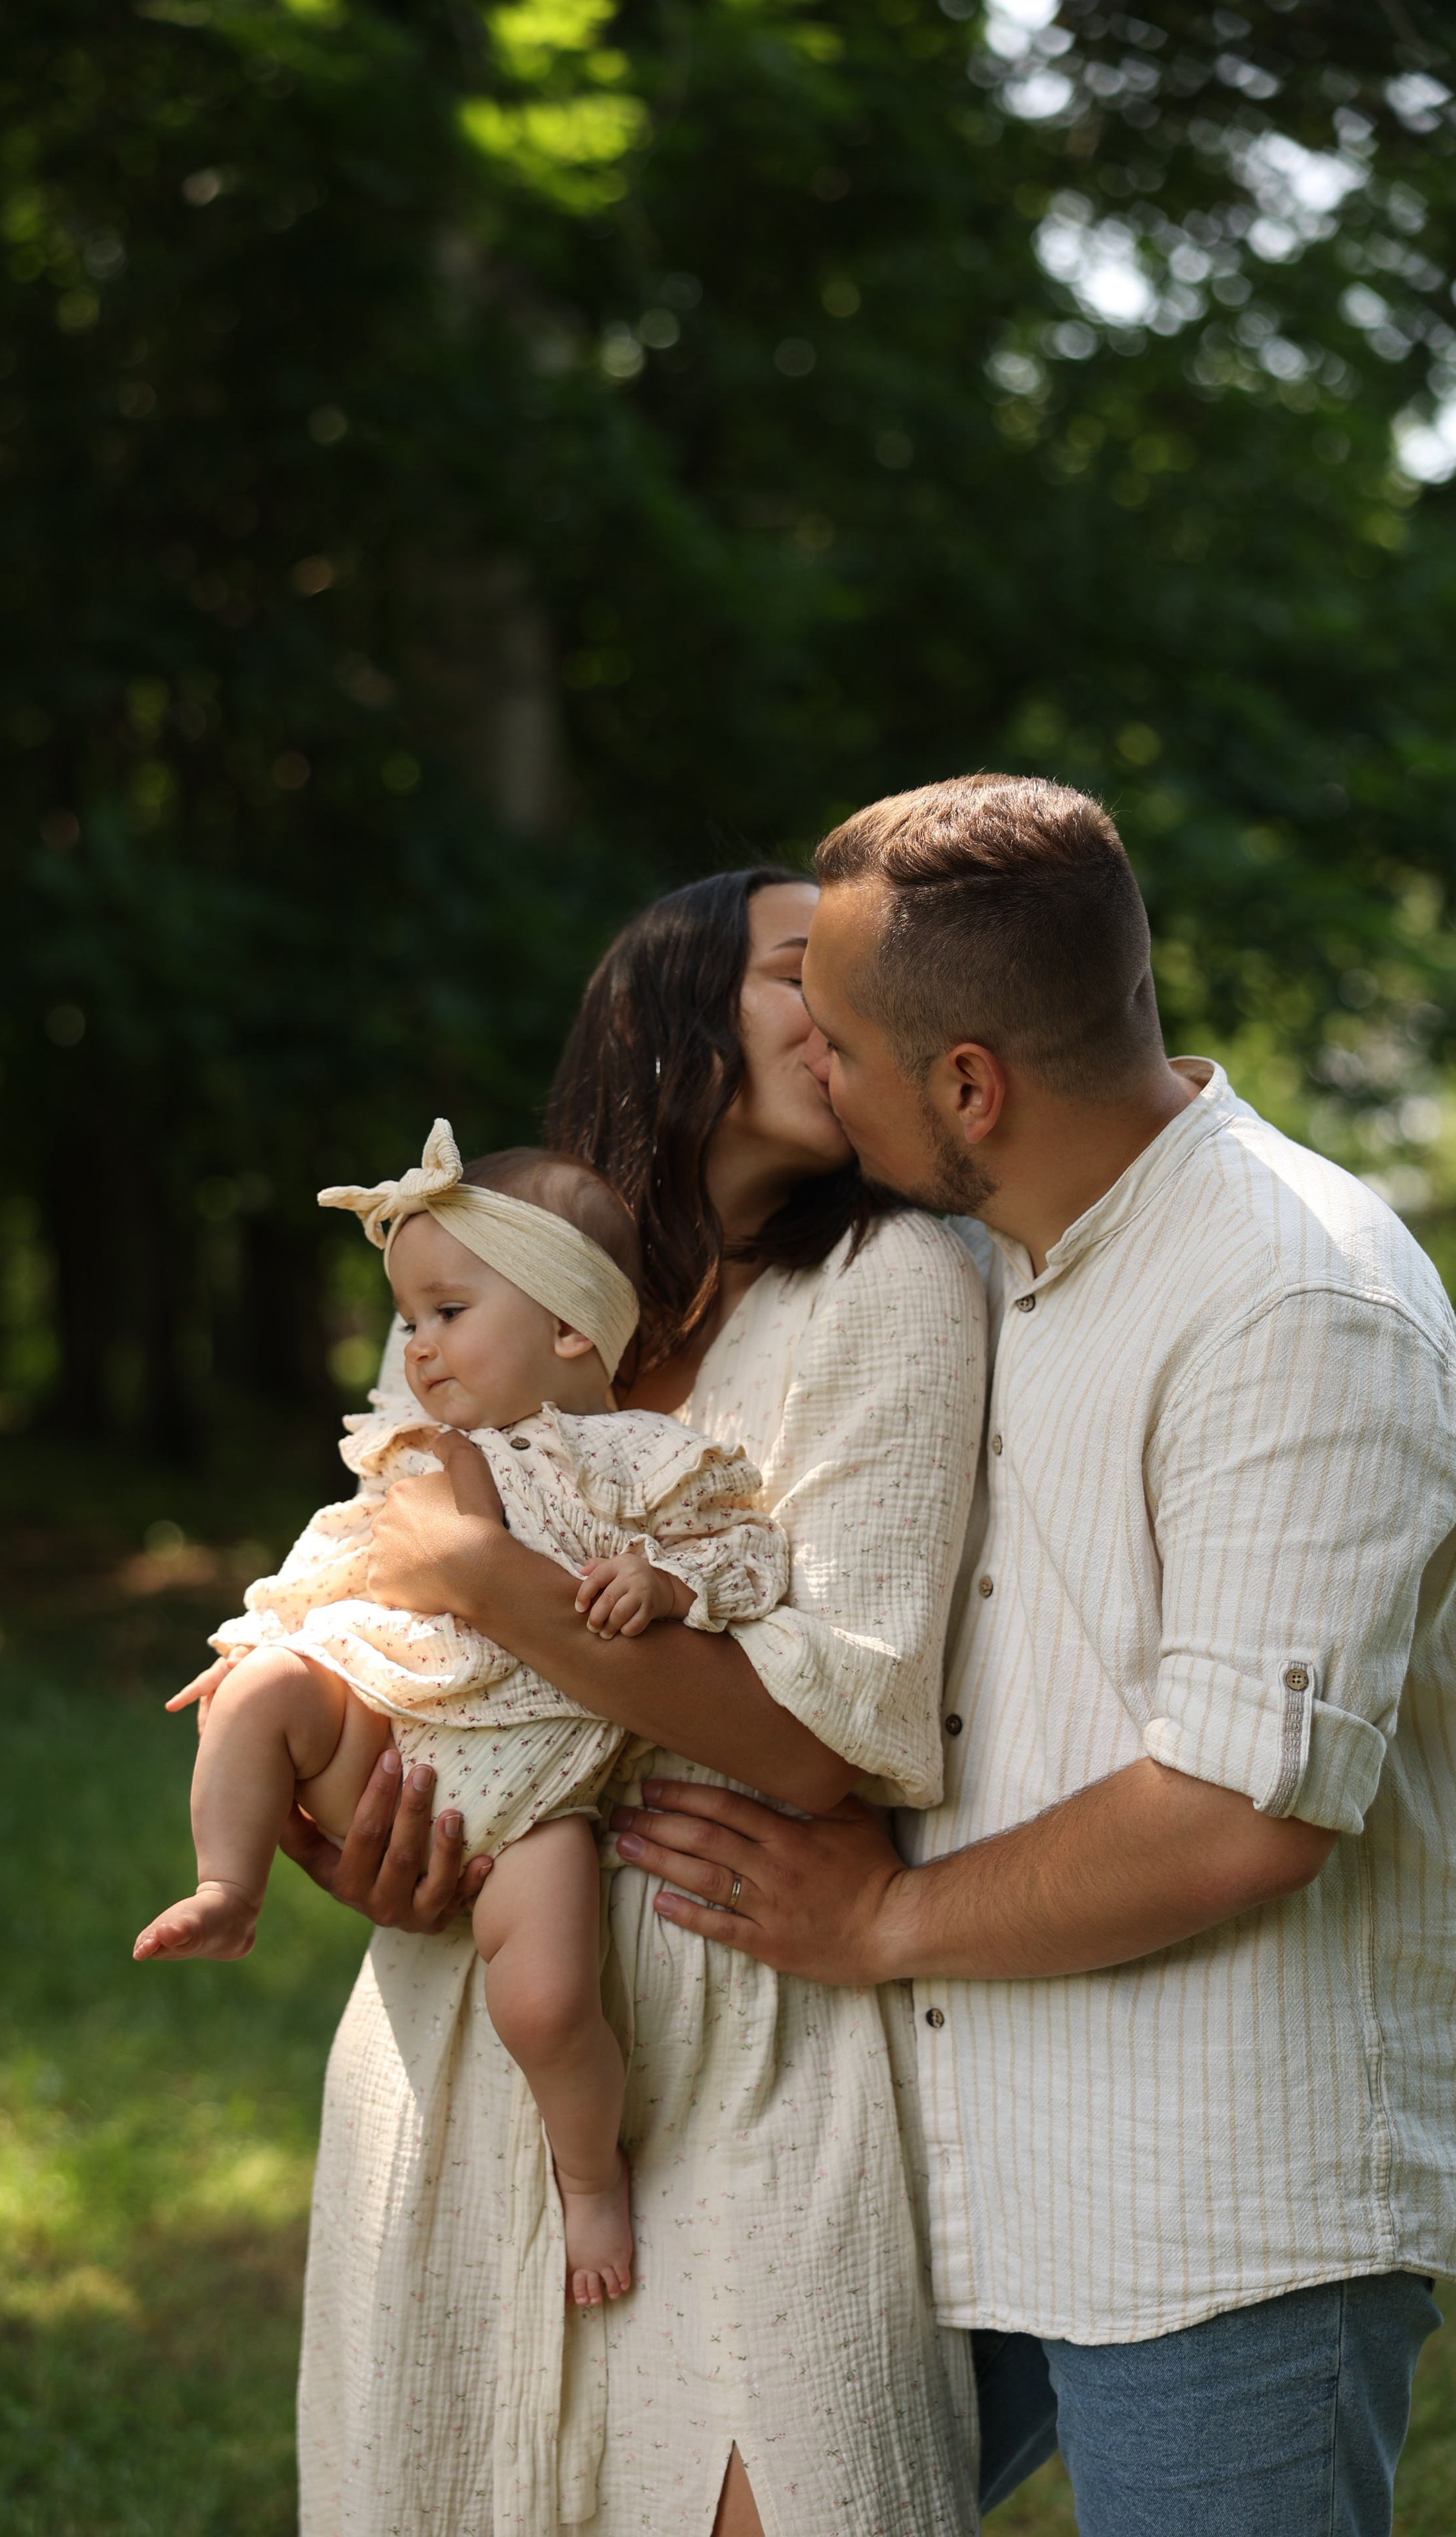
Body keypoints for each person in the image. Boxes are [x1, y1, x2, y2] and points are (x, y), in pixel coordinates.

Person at [608, 775, 1456, 2537]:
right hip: (955, 2151)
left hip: (1218, 2199)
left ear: (970, 1082)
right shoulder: (979, 1265)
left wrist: (883, 1922)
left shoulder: (1295, 1303)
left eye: (835, 1041)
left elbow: (1241, 1812)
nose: (809, 1068)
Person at [283, 871, 990, 2537]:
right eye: (795, 970)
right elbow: (368, 1620)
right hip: (477, 1999)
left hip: (742, 2004)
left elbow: (820, 1741)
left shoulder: (891, 1286)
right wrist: (349, 1830)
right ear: (668, 1018)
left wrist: (490, 1582)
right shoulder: (483, 1276)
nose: (845, 1002)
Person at [135, 1126, 789, 2308]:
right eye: (409, 1323)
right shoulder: (420, 1459)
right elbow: (338, 1556)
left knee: (547, 2002)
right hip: (396, 1729)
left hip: (537, 1797)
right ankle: (229, 1887)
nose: (418, 1349)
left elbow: (750, 1558)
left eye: (446, 1313)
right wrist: (259, 1637)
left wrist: (672, 1586)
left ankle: (589, 2179)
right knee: (263, 1691)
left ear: (570, 1329)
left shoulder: (649, 1461)